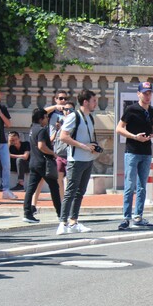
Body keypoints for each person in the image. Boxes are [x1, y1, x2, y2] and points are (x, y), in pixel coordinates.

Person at [115, 82, 153, 230]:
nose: (147, 96)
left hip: (146, 152)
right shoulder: (131, 109)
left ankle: (138, 216)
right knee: (130, 185)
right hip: (132, 150)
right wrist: (135, 137)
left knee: (142, 186)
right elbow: (119, 128)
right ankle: (126, 217)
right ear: (138, 94)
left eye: (149, 93)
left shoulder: (152, 111)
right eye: (145, 93)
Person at [57, 89, 100, 234]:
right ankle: (62, 223)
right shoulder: (74, 116)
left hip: (88, 160)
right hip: (76, 160)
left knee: (80, 192)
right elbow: (63, 136)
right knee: (71, 191)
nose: (96, 103)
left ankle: (73, 221)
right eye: (94, 101)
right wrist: (83, 146)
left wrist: (93, 147)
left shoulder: (90, 117)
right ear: (85, 102)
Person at [22, 108, 61, 224]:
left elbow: (44, 141)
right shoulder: (42, 130)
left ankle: (27, 213)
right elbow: (41, 146)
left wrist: (56, 132)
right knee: (54, 187)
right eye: (45, 117)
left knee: (30, 189)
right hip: (43, 163)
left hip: (34, 162)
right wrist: (53, 153)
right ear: (41, 119)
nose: (47, 118)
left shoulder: (32, 128)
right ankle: (61, 214)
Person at [0, 85, 17, 200]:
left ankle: (6, 190)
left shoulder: (2, 107)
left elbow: (9, 124)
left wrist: (0, 113)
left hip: (2, 141)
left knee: (6, 165)